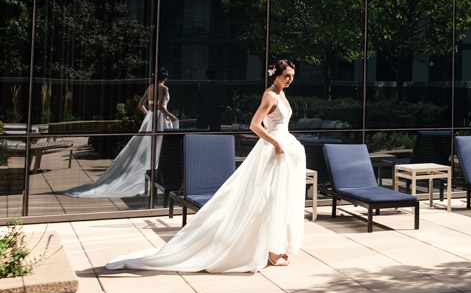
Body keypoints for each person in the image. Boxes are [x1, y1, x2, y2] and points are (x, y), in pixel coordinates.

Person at [106, 60, 306, 272]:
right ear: (276, 75)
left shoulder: (282, 94)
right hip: (274, 150)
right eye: (287, 76)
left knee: (276, 198)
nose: (290, 80)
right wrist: (275, 141)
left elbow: (273, 122)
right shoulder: (270, 95)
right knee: (267, 198)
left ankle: (272, 245)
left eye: (292, 76)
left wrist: (279, 136)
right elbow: (255, 125)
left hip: (281, 150)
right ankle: (270, 251)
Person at [66, 68, 179, 198]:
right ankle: (155, 180)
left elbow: (140, 105)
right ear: (165, 78)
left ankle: (148, 180)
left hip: (151, 119)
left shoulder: (150, 87)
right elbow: (161, 107)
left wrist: (149, 115)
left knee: (149, 150)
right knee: (159, 149)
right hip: (160, 120)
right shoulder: (164, 89)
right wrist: (172, 117)